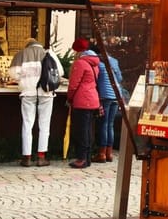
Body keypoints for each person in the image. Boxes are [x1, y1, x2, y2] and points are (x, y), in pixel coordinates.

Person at [9, 38, 64, 167]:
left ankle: (26, 157)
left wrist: (22, 79)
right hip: (46, 92)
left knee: (27, 124)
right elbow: (60, 72)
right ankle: (41, 157)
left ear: (27, 45)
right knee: (44, 125)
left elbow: (12, 74)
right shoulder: (49, 54)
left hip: (28, 92)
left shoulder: (21, 54)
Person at [66, 38, 100, 169]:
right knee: (88, 129)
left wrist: (69, 98)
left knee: (81, 130)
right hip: (92, 99)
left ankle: (81, 158)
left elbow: (73, 84)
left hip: (82, 100)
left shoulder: (80, 63)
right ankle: (88, 157)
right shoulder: (94, 63)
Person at [91, 42, 122, 163]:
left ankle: (102, 153)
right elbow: (119, 78)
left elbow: (95, 79)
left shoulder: (99, 63)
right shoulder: (114, 61)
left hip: (104, 96)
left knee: (103, 124)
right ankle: (109, 153)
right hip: (116, 95)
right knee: (110, 124)